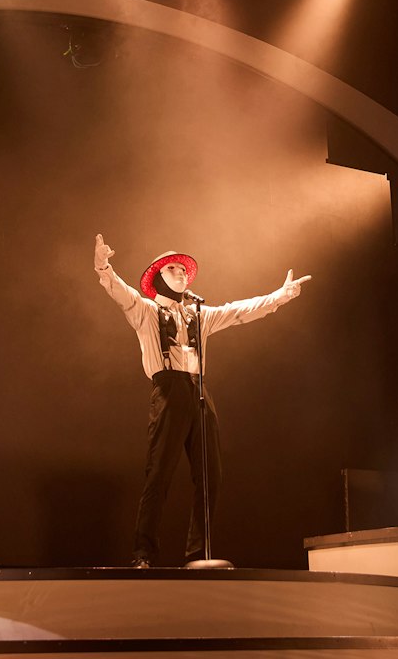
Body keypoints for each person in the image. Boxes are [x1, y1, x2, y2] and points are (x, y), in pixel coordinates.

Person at [93, 233, 310, 568]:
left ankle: (198, 554)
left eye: (183, 269)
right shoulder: (147, 312)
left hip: (198, 391)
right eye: (174, 269)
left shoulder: (199, 314)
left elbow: (238, 311)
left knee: (211, 476)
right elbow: (123, 295)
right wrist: (104, 266)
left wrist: (279, 296)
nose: (181, 273)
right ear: (160, 277)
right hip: (168, 390)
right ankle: (143, 553)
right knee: (159, 474)